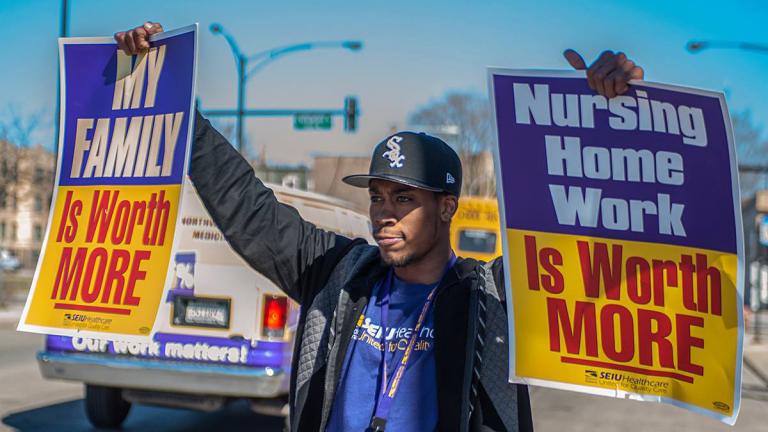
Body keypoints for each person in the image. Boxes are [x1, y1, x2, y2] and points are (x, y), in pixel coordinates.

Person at [115, 22, 644, 432]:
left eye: (405, 198)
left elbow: (596, 244)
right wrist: (177, 101)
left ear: (446, 207)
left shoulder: (492, 296)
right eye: (378, 197)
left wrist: (614, 122)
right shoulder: (336, 275)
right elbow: (245, 205)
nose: (384, 213)